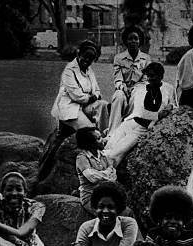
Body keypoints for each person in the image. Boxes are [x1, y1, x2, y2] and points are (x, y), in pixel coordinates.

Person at [39, 40, 109, 181]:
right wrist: (92, 97)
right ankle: (44, 170)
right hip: (69, 107)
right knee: (88, 133)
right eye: (85, 57)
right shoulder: (69, 71)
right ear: (79, 54)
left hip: (84, 106)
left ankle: (105, 141)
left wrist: (93, 97)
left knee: (103, 105)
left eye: (91, 59)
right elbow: (77, 96)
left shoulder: (89, 71)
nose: (87, 61)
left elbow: (97, 91)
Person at [104, 62, 177, 168]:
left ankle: (107, 171)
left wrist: (170, 107)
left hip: (146, 127)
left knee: (118, 151)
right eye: (148, 76)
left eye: (153, 76)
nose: (150, 79)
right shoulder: (142, 88)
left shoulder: (169, 88)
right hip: (133, 121)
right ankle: (98, 166)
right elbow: (141, 111)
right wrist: (159, 115)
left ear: (161, 76)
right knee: (110, 144)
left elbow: (174, 106)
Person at [71, 182, 139, 246]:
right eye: (101, 207)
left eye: (111, 207)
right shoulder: (86, 228)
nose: (105, 211)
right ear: (95, 208)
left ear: (119, 209)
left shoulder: (128, 224)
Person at [108, 26, 151, 134]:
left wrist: (135, 88)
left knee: (137, 97)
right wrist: (123, 88)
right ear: (126, 41)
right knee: (118, 97)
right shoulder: (119, 58)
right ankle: (112, 132)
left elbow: (146, 79)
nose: (133, 41)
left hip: (138, 88)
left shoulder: (146, 58)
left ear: (139, 41)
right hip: (123, 88)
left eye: (135, 39)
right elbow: (117, 78)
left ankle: (128, 129)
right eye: (130, 39)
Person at [75, 127, 117, 214]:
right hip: (91, 197)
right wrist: (107, 173)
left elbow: (114, 176)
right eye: (98, 138)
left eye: (101, 137)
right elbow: (92, 178)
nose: (103, 140)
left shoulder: (103, 155)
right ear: (89, 143)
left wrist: (102, 175)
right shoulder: (82, 158)